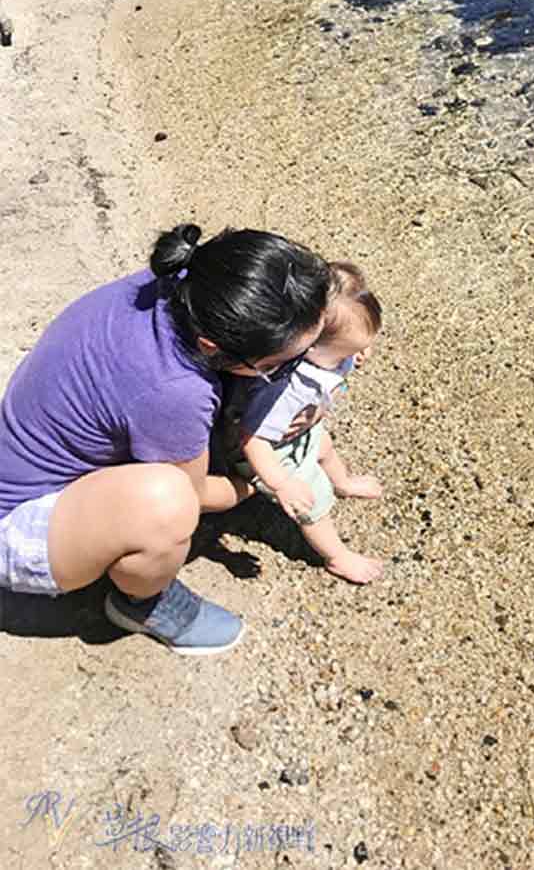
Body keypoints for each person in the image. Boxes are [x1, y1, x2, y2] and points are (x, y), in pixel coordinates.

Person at [0, 223, 330, 655]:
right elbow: (194, 495)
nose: (296, 368)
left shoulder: (178, 284)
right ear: (212, 346)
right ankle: (141, 602)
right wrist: (261, 484)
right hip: (17, 522)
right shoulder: (175, 390)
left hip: (23, 456)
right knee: (169, 503)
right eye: (281, 365)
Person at [225, 262, 384, 584]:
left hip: (301, 431)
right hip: (273, 452)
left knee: (324, 447)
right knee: (314, 499)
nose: (355, 358)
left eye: (360, 349)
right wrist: (282, 483)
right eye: (347, 353)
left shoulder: (325, 352)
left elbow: (344, 343)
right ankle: (337, 557)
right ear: (305, 344)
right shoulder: (284, 386)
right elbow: (252, 439)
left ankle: (344, 482)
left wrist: (355, 350)